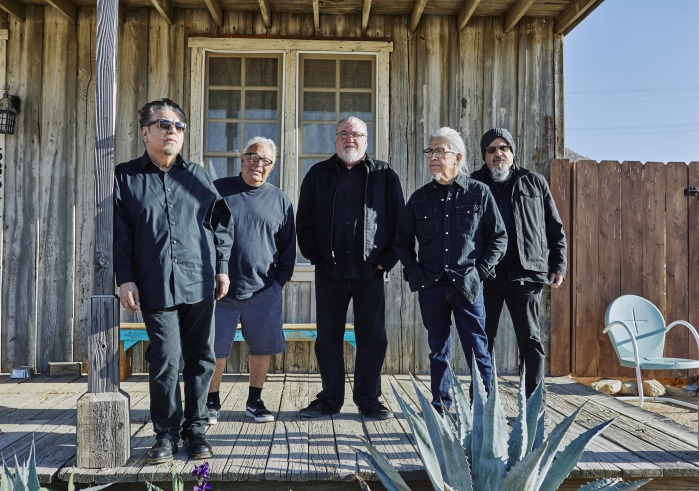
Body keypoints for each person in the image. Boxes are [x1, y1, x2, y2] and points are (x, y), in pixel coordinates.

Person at [113, 98, 232, 465]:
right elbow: (119, 234)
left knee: (201, 357)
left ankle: (195, 429)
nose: (172, 132)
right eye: (164, 125)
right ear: (145, 132)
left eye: (179, 126)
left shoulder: (197, 176)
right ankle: (166, 433)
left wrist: (222, 266)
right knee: (164, 358)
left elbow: (220, 224)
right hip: (154, 283)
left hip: (198, 281)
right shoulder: (125, 177)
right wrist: (125, 279)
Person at [296, 116, 405, 420]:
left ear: (366, 141)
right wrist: (317, 258)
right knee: (327, 339)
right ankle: (330, 400)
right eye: (343, 134)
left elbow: (401, 224)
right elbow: (303, 222)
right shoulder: (318, 174)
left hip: (370, 272)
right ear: (335, 139)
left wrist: (386, 261)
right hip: (329, 272)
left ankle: (369, 400)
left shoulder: (384, 175)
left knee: (373, 338)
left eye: (356, 134)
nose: (350, 139)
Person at [395, 127, 507, 414]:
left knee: (478, 351)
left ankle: (483, 410)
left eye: (439, 151)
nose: (433, 157)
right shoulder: (419, 199)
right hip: (431, 286)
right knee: (438, 352)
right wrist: (414, 272)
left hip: (468, 287)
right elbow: (402, 242)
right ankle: (440, 408)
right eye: (429, 152)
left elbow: (499, 238)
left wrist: (479, 272)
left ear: (457, 157)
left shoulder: (478, 193)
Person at [471, 128, 567, 397]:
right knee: (481, 341)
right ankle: (479, 404)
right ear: (485, 156)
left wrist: (558, 265)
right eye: (492, 150)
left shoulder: (533, 182)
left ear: (512, 152)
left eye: (504, 148)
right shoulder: (473, 184)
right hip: (485, 275)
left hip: (525, 274)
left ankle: (533, 406)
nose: (498, 154)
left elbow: (554, 227)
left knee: (530, 341)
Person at [206, 137, 296, 424]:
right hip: (220, 292)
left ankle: (255, 401)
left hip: (264, 290)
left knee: (262, 348)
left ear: (272, 166)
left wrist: (278, 283)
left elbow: (287, 248)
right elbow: (202, 235)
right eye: (253, 157)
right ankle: (211, 402)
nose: (259, 164)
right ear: (242, 159)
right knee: (216, 349)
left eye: (266, 161)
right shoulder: (219, 190)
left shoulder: (280, 199)